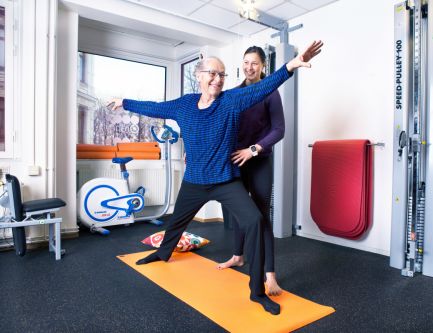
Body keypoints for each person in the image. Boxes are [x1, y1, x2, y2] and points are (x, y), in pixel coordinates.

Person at [108, 40, 323, 315]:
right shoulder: (184, 105)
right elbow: (155, 107)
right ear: (199, 76)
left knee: (255, 221)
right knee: (176, 221)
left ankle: (257, 291)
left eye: (222, 75)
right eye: (212, 73)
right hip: (195, 181)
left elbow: (264, 87)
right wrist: (124, 101)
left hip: (225, 181)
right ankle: (163, 252)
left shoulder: (231, 101)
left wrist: (292, 65)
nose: (217, 79)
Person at [217, 46, 284, 297]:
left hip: (259, 161)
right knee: (238, 212)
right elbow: (219, 125)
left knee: (261, 216)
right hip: (236, 161)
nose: (249, 67)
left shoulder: (270, 92)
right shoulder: (233, 94)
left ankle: (270, 275)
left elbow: (279, 130)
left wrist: (253, 150)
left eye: (255, 63)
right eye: (246, 62)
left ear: (263, 66)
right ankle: (238, 256)